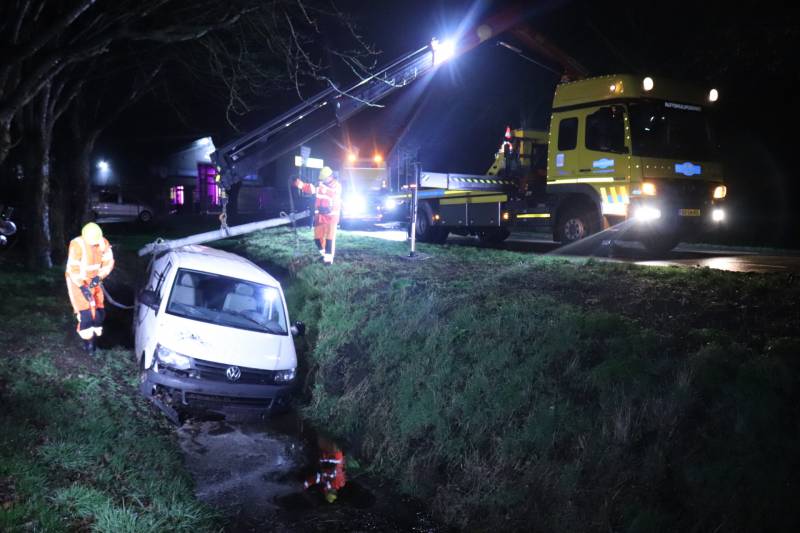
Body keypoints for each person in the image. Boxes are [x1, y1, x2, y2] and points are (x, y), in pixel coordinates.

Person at [65, 222, 114, 354]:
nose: (94, 244)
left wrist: (99, 277)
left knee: (99, 311)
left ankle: (95, 337)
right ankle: (89, 344)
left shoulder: (103, 243)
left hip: (95, 280)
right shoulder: (77, 245)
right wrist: (82, 286)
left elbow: (108, 263)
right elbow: (73, 269)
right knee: (86, 313)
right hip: (77, 281)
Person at [295, 166, 342, 264]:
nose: (322, 180)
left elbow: (333, 193)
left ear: (330, 177)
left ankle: (328, 260)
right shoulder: (320, 185)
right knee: (317, 239)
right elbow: (309, 188)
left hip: (331, 217)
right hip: (320, 217)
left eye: (324, 178)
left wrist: (321, 187)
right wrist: (299, 184)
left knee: (329, 239)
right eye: (322, 179)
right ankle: (324, 255)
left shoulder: (337, 186)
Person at [304, 437, 346, 503]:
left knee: (322, 440)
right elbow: (320, 477)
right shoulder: (337, 483)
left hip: (329, 457)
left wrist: (306, 484)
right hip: (333, 457)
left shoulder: (337, 483)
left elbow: (316, 479)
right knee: (324, 440)